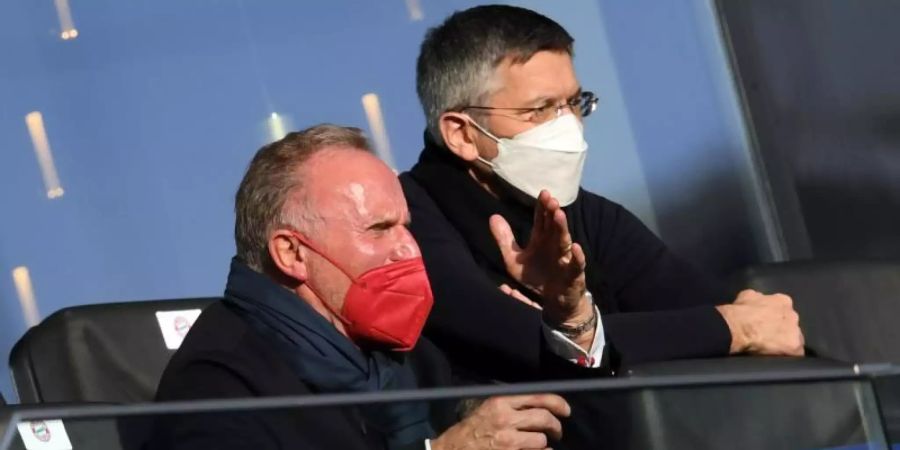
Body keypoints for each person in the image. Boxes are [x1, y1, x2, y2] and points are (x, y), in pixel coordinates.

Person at [400, 4, 804, 381]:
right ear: (461, 134)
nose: (568, 126)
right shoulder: (403, 220)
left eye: (574, 103)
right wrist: (732, 327)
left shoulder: (590, 214)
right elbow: (522, 342)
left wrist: (733, 324)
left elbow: (757, 326)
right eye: (539, 109)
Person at [152, 125, 572, 450]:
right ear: (291, 254)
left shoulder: (408, 355)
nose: (408, 248)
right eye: (380, 229)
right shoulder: (220, 382)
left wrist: (568, 316)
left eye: (406, 227)